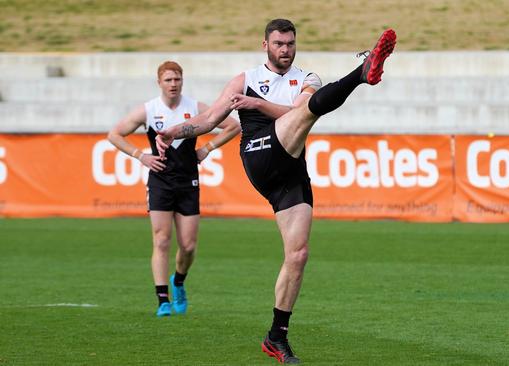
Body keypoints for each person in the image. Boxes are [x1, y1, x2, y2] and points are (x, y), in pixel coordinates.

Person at [156, 20, 396, 363]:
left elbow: (300, 112)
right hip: (259, 151)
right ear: (265, 45)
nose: (285, 49)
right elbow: (209, 119)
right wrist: (172, 133)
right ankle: (362, 72)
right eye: (279, 44)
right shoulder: (246, 79)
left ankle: (276, 337)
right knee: (304, 116)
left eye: (290, 43)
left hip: (291, 168)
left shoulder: (307, 78)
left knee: (298, 255)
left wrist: (255, 105)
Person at [107, 61, 241, 317]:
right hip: (160, 181)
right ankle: (162, 300)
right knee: (161, 239)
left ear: (182, 81)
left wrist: (207, 148)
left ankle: (178, 281)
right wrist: (140, 155)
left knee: (188, 246)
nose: (173, 84)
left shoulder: (196, 108)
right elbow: (114, 134)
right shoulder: (148, 110)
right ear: (159, 83)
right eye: (168, 80)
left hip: (188, 181)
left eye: (177, 79)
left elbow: (234, 126)